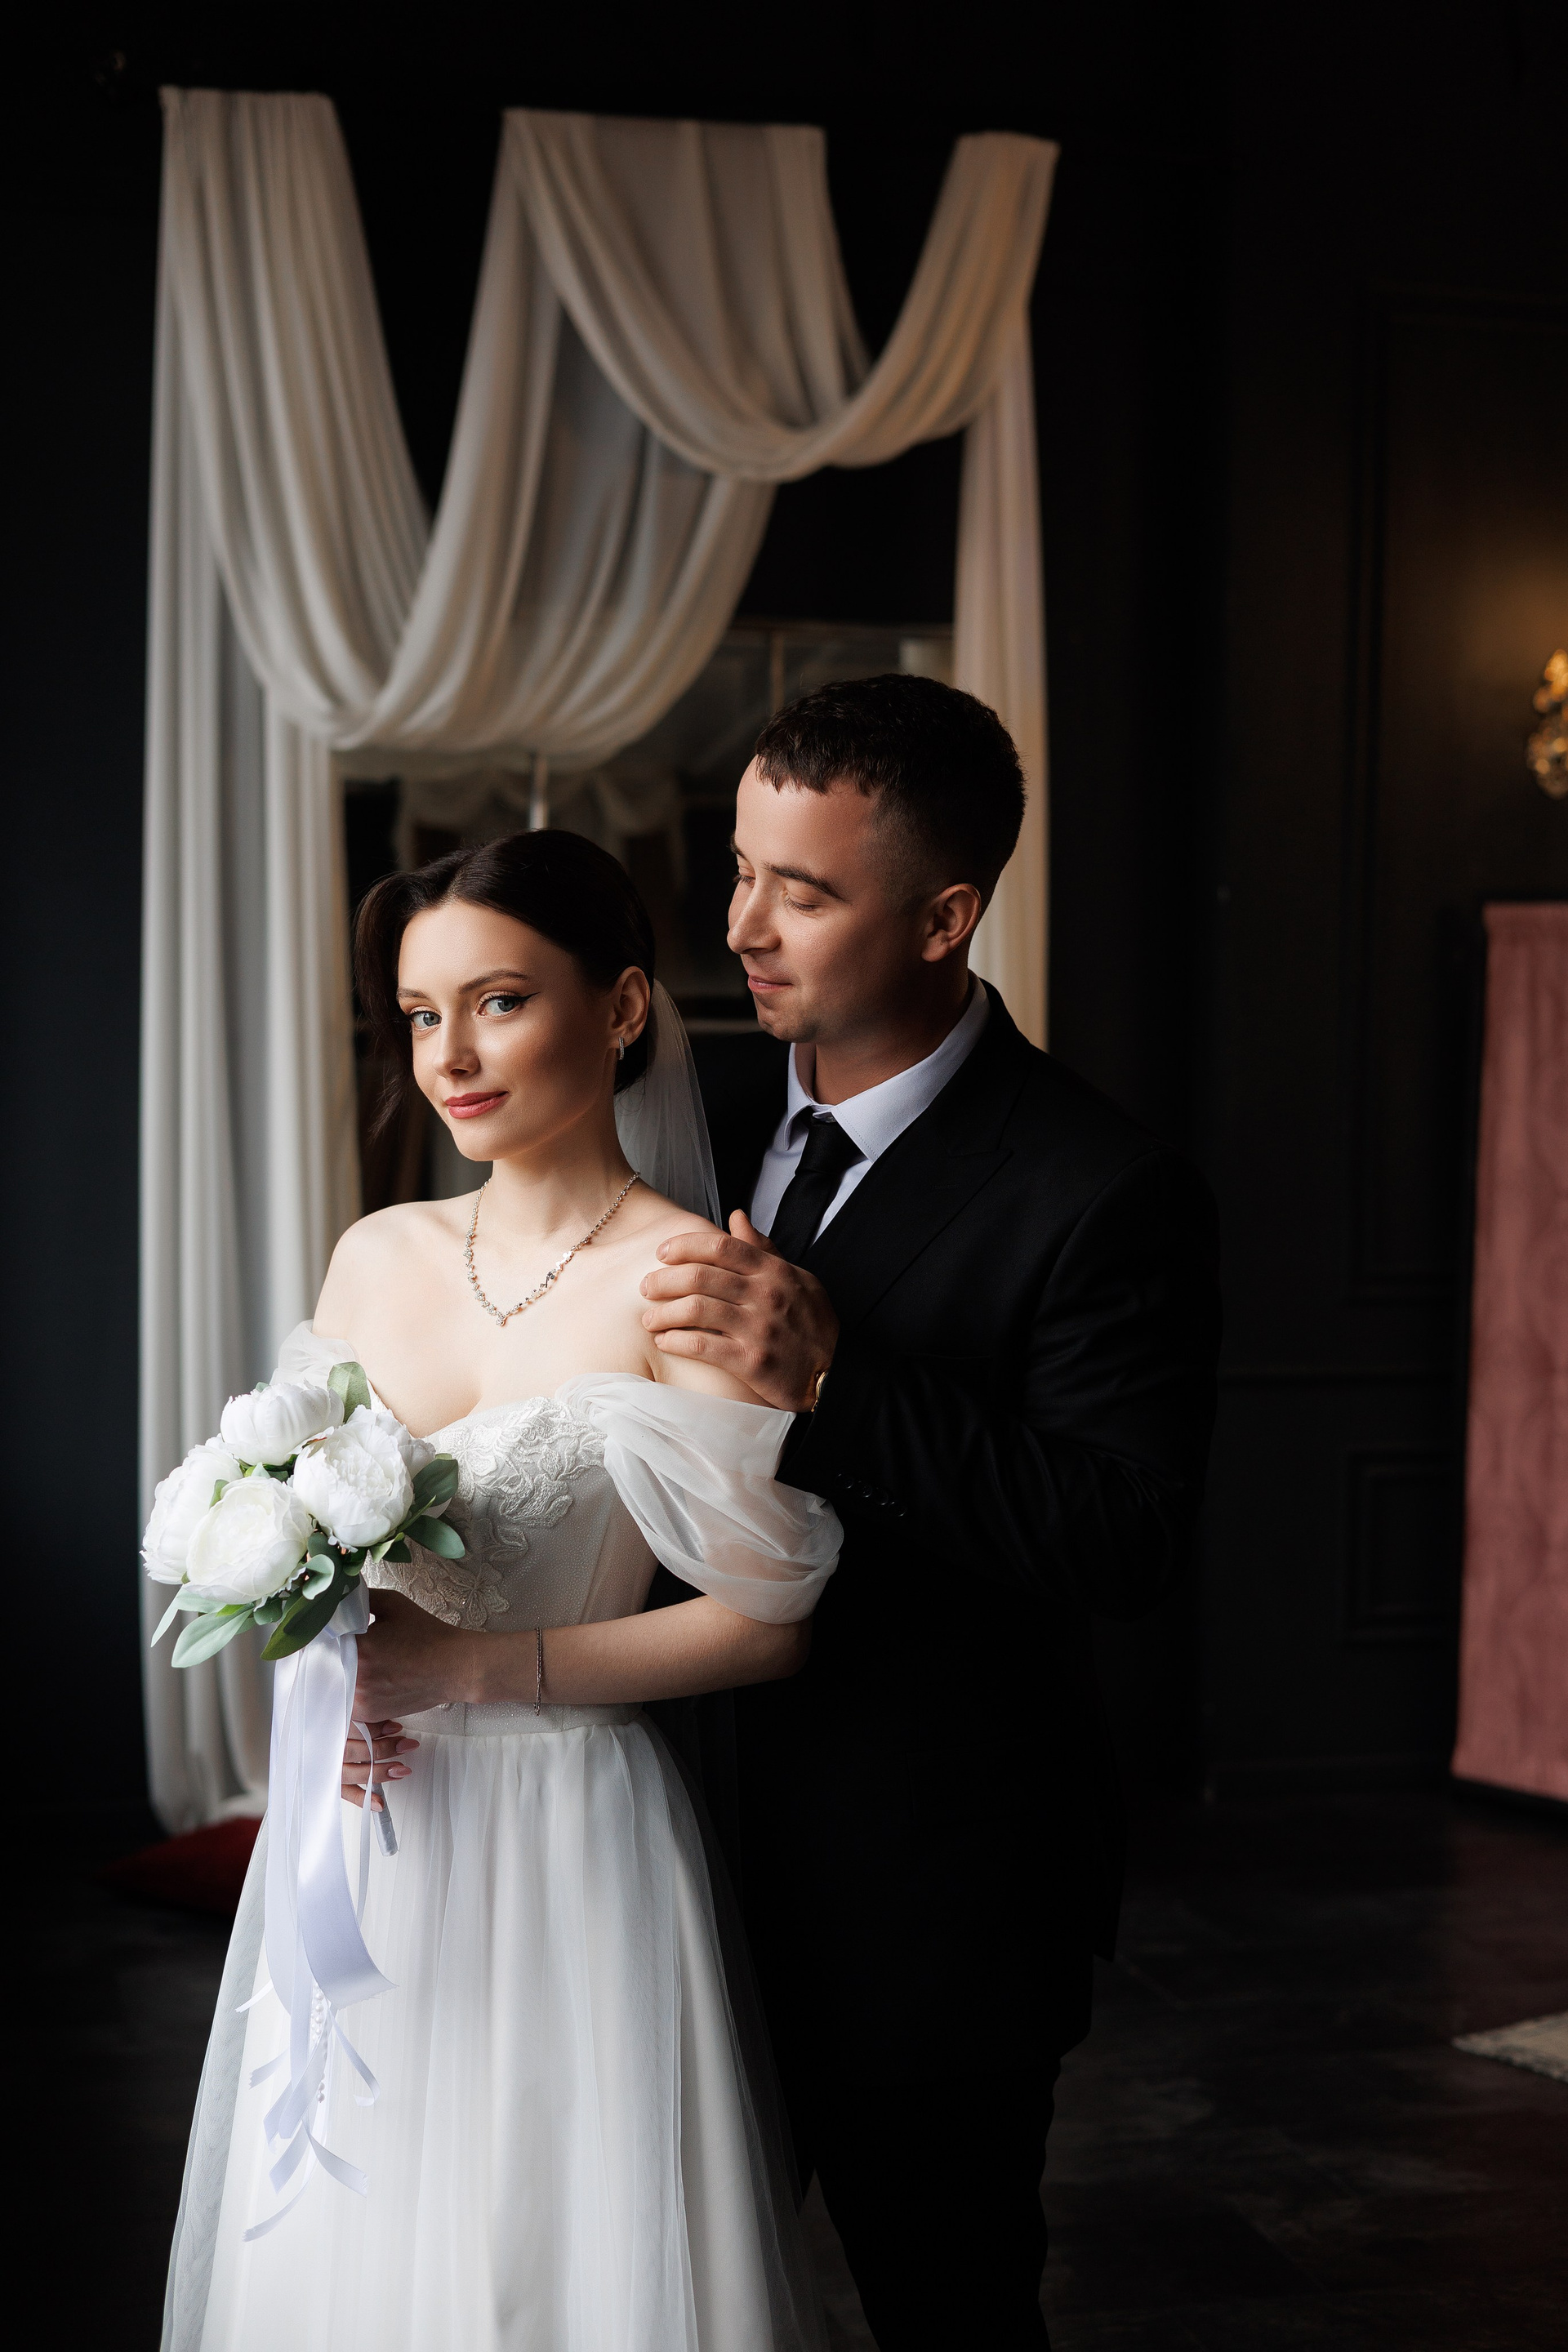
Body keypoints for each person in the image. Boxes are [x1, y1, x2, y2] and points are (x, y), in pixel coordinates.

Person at [161, 831, 839, 2352]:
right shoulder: (375, 1254)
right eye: (421, 1015)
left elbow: (766, 1626)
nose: (450, 1058)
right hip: (369, 1830)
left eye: (500, 1002)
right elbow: (311, 1542)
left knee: (552, 2243)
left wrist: (476, 1670)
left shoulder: (684, 1279)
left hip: (565, 1830)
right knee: (353, 2237)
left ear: (622, 1009)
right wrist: (322, 1676)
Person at [639, 674, 1222, 2351]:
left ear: (945, 918)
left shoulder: (1101, 1186)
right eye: (738, 870)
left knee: (948, 2309)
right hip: (662, 1855)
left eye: (801, 892)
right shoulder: (693, 1119)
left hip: (928, 1904)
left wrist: (839, 1384)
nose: (741, 928)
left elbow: (1123, 1536)